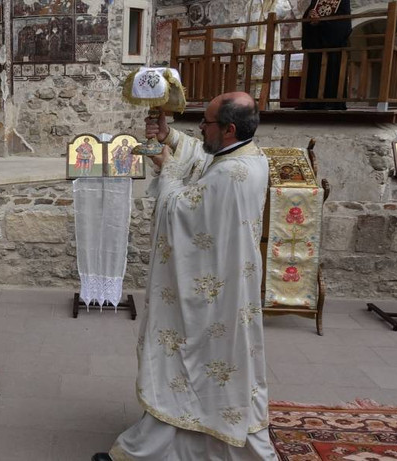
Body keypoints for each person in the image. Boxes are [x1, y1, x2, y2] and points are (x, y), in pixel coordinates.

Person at [93, 92, 273, 460]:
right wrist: (170, 136)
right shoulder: (247, 156)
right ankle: (189, 438)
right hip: (225, 287)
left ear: (228, 129)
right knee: (209, 363)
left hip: (209, 298)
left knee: (189, 360)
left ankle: (160, 444)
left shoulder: (233, 175)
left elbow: (181, 210)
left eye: (204, 123)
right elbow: (205, 159)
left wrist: (167, 164)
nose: (199, 129)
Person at [231, 0, 295, 109]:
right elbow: (243, 20)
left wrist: (269, 9)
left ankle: (266, 106)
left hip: (268, 44)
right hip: (251, 47)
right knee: (251, 80)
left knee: (267, 77)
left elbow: (284, 8)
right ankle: (250, 107)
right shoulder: (251, 2)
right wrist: (241, 39)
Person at [299, 0, 351, 110]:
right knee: (314, 74)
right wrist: (309, 17)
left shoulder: (343, 1)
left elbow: (343, 24)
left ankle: (331, 103)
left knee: (332, 75)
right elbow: (308, 17)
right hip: (316, 46)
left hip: (334, 49)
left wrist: (321, 22)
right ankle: (311, 102)